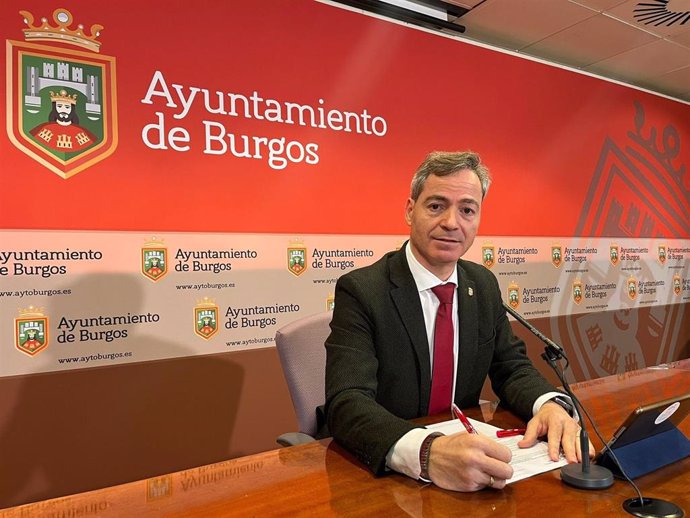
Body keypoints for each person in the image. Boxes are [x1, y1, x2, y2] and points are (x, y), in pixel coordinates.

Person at [324, 151, 587, 492]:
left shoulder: (483, 284)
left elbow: (512, 368)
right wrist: (426, 452)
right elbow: (347, 401)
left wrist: (548, 404)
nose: (452, 222)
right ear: (410, 210)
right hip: (388, 471)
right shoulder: (362, 290)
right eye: (436, 206)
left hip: (468, 466)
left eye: (467, 209)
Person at [30, 89, 97, 152]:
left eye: (67, 107)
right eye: (59, 106)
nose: (63, 110)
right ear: (54, 108)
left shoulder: (82, 132)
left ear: (72, 109)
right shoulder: (43, 129)